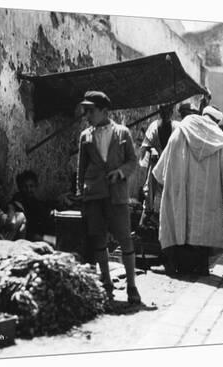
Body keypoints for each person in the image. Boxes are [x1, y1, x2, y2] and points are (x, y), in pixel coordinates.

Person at [76, 90, 141, 304]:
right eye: (85, 111)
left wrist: (120, 172)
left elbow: (133, 161)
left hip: (117, 196)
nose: (87, 115)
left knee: (124, 238)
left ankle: (132, 286)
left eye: (91, 111)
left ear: (105, 111)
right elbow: (81, 168)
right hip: (94, 195)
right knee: (98, 238)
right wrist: (81, 193)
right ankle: (106, 283)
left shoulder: (122, 133)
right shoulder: (85, 136)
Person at [153, 106, 223, 276]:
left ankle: (178, 266)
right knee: (203, 226)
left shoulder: (180, 131)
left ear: (203, 114)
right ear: (217, 121)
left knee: (179, 222)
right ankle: (202, 266)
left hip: (180, 190)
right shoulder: (220, 140)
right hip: (207, 196)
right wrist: (221, 190)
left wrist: (166, 185)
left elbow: (162, 168)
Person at [139, 104, 181, 222]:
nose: (166, 114)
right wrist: (151, 150)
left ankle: (168, 220)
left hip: (172, 166)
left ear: (172, 112)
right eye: (163, 111)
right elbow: (145, 147)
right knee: (150, 193)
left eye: (168, 111)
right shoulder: (154, 126)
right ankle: (149, 217)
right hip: (156, 165)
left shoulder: (178, 128)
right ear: (159, 112)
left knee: (170, 194)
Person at [12, 170, 51, 241]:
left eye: (31, 186)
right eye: (25, 187)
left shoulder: (34, 201)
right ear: (20, 188)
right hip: (26, 236)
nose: (28, 189)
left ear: (36, 186)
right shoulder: (17, 202)